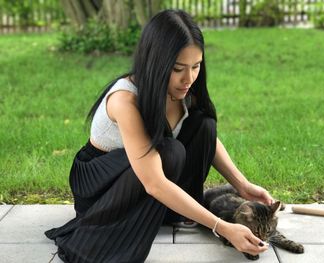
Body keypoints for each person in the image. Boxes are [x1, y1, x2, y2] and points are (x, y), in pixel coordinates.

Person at [45, 9, 274, 263]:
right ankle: (118, 227)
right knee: (170, 152)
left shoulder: (182, 90)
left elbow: (206, 139)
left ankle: (170, 212)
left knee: (204, 124)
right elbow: (154, 182)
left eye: (196, 66)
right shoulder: (125, 100)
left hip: (140, 175)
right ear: (157, 62)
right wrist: (222, 226)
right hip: (101, 187)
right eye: (178, 69)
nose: (189, 78)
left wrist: (243, 186)